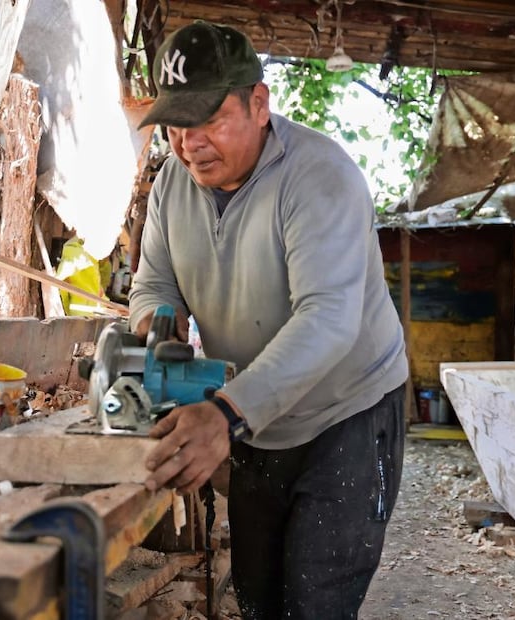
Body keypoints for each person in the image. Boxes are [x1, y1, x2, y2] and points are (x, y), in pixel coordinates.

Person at [127, 20, 410, 620]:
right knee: (259, 595)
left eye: (209, 120)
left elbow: (330, 318)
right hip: (257, 414)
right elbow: (155, 281)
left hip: (347, 413)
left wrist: (224, 413)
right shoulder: (172, 184)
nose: (189, 142)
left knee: (315, 602)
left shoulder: (320, 177)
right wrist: (161, 327)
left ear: (259, 104)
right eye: (177, 123)